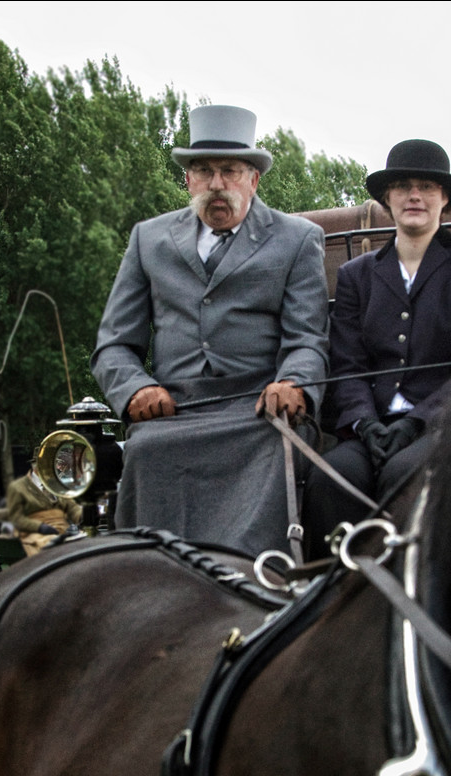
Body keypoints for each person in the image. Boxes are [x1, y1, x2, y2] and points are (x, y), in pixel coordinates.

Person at [91, 105, 329, 556]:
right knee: (141, 451)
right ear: (188, 179)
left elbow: (308, 339)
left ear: (253, 179)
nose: (217, 184)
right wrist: (136, 389)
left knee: (281, 448)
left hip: (258, 411)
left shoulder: (297, 239)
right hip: (172, 412)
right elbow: (114, 346)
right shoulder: (148, 239)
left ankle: (259, 580)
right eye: (203, 171)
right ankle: (148, 577)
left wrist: (293, 383)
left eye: (230, 171)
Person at [302, 139, 451, 547]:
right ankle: (331, 591)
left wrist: (417, 421)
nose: (414, 196)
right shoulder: (356, 275)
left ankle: (411, 591)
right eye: (403, 186)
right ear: (388, 198)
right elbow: (347, 364)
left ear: (445, 200)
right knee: (331, 477)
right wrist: (365, 423)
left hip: (440, 425)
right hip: (370, 428)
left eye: (427, 187)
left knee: (406, 472)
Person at [5, 460, 83, 556]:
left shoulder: (58, 485)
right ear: (36, 466)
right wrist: (40, 527)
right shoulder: (18, 487)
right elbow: (16, 518)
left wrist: (83, 515)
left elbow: (72, 508)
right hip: (34, 533)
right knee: (53, 547)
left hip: (63, 530)